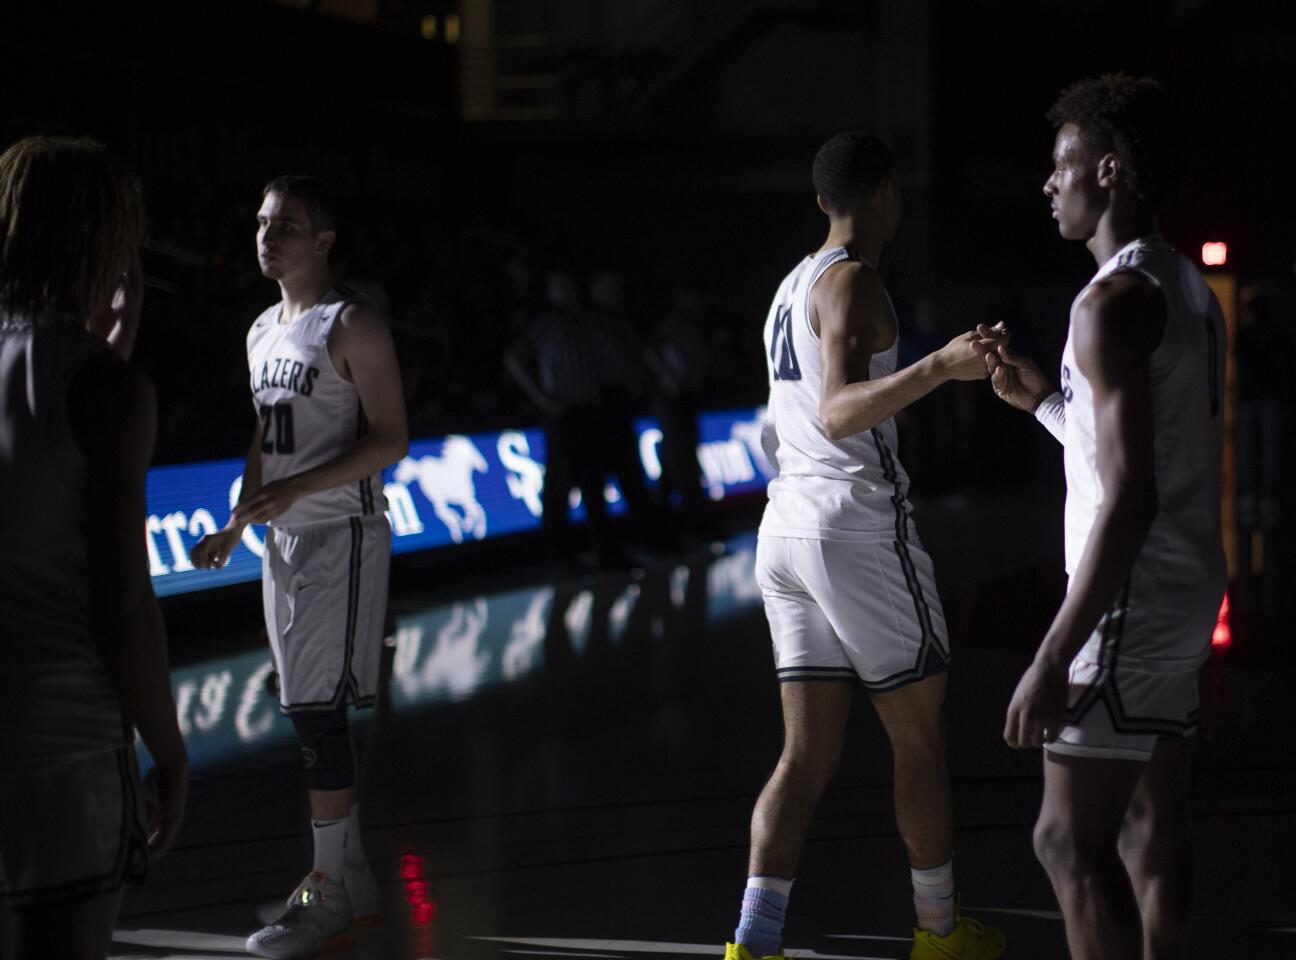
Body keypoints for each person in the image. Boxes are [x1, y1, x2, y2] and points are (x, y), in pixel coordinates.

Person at [725, 131, 1006, 960]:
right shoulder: (855, 282)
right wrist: (941, 366)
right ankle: (940, 933)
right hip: (852, 525)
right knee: (918, 740)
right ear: (888, 189)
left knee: (804, 753)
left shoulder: (789, 285)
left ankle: (753, 942)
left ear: (821, 200)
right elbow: (841, 409)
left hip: (785, 531)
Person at [978, 74, 1225, 960]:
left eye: (1063, 166)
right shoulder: (1183, 282)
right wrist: (1044, 403)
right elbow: (1134, 455)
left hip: (1132, 593)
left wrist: (1051, 656)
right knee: (1151, 830)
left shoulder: (1107, 303)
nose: (1050, 185)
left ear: (1109, 170)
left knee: (1065, 841)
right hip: (1187, 584)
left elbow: (1129, 495)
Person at [190, 175, 408, 959]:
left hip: (340, 535)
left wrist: (296, 489)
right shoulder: (259, 330)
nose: (266, 235)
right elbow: (266, 430)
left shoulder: (352, 323)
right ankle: (348, 875)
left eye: (285, 225)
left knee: (317, 714)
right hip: (280, 539)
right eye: (260, 222)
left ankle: (327, 896)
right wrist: (236, 517)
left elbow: (390, 439)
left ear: (323, 241)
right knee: (304, 706)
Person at [0, 136, 188, 959]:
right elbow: (121, 604)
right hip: (62, 743)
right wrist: (171, 749)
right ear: (107, 237)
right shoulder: (104, 387)